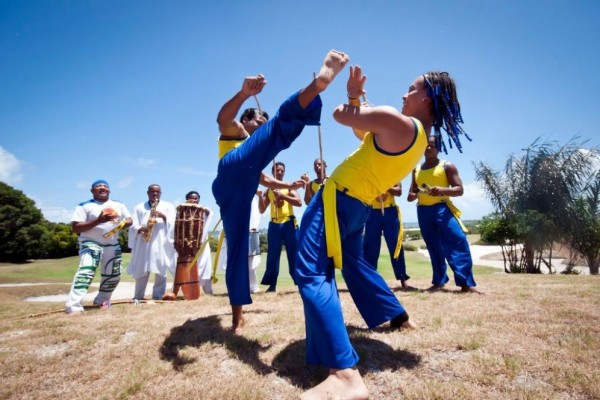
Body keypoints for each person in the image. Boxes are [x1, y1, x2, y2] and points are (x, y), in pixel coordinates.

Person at [295, 67, 470, 400]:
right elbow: (363, 133)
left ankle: (345, 375)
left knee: (311, 273)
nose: (404, 94)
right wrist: (357, 99)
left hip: (336, 200)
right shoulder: (417, 137)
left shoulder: (397, 121)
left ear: (427, 96)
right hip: (356, 206)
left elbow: (339, 116)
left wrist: (351, 96)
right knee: (356, 266)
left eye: (411, 88)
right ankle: (397, 316)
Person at [212, 49, 350, 334]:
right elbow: (222, 118)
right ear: (246, 120)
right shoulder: (237, 131)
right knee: (279, 125)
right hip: (229, 174)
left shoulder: (257, 151)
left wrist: (292, 186)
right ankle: (317, 86)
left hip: (242, 189)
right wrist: (243, 94)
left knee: (238, 251)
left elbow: (267, 181)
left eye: (261, 119)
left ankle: (237, 316)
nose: (259, 122)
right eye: (256, 119)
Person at [407, 136, 481, 293]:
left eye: (432, 146)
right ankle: (439, 282)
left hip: (442, 208)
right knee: (434, 247)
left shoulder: (447, 166)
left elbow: (459, 190)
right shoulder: (416, 170)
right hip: (423, 211)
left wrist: (442, 190)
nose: (428, 148)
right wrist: (414, 194)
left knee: (458, 242)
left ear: (439, 148)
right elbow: (410, 194)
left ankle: (466, 284)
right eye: (426, 146)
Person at [65, 179, 132, 314]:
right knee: (86, 271)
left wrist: (120, 225)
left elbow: (129, 220)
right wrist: (99, 220)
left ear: (109, 190)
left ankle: (102, 300)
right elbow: (76, 227)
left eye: (105, 186)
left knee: (113, 274)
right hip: (90, 241)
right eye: (98, 186)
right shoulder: (84, 206)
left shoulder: (118, 204)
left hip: (112, 243)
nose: (102, 188)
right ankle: (73, 305)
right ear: (92, 190)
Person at [127, 184, 177, 301]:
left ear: (160, 193)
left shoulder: (168, 206)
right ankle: (138, 296)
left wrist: (163, 216)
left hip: (161, 242)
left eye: (158, 192)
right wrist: (139, 228)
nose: (155, 194)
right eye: (152, 191)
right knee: (141, 268)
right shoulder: (139, 207)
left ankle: (158, 295)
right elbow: (133, 223)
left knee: (160, 268)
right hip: (144, 242)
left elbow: (174, 223)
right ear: (147, 193)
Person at [258, 161, 302, 292]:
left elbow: (299, 202)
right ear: (272, 172)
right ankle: (272, 285)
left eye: (282, 170)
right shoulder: (268, 190)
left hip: (289, 223)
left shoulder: (289, 187)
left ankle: (299, 283)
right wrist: (260, 197)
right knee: (273, 255)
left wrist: (282, 195)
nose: (280, 172)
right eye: (278, 170)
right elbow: (261, 209)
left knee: (294, 254)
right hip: (274, 224)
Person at [214, 189, 265, 294]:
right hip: (234, 232)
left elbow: (258, 213)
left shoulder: (254, 198)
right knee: (235, 260)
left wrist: (254, 227)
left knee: (251, 261)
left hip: (252, 231)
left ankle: (253, 286)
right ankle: (236, 286)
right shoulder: (230, 197)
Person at [363, 183, 412, 289]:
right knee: (370, 247)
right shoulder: (369, 173)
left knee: (396, 246)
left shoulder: (392, 172)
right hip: (372, 212)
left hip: (390, 211)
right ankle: (369, 280)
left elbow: (398, 192)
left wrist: (384, 184)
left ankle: (403, 279)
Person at [181, 190, 214, 295]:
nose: (194, 200)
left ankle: (208, 291)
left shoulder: (203, 210)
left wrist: (199, 208)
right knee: (189, 266)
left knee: (205, 266)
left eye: (196, 198)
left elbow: (210, 213)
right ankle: (191, 290)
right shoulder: (182, 210)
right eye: (191, 198)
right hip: (188, 244)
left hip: (202, 243)